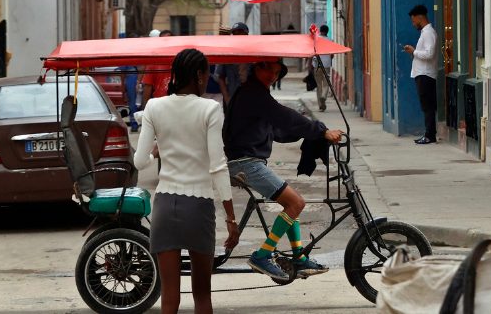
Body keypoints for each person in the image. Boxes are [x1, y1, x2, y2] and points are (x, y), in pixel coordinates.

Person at [134, 48, 239, 314]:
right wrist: (231, 218)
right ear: (199, 75)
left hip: (165, 206)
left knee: (169, 298)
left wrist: (157, 145)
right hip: (199, 207)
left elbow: (139, 161)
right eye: (206, 73)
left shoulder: (154, 106)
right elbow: (217, 166)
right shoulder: (210, 109)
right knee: (202, 295)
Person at [224, 60, 343, 281]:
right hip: (245, 163)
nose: (272, 75)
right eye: (267, 69)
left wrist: (311, 134)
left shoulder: (254, 94)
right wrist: (321, 130)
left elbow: (277, 130)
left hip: (246, 160)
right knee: (296, 203)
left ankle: (298, 257)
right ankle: (262, 255)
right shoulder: (253, 93)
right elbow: (284, 116)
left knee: (291, 204)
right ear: (255, 68)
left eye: (277, 72)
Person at [402, 5, 438, 144]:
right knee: (426, 105)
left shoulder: (428, 33)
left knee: (427, 106)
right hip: (422, 74)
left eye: (413, 20)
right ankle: (429, 133)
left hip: (426, 75)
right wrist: (415, 52)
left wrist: (414, 51)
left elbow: (429, 53)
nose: (413, 24)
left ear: (420, 17)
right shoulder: (425, 33)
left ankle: (430, 135)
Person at [214, 22, 250, 106]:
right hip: (232, 97)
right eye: (235, 33)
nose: (238, 35)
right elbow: (220, 77)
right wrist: (227, 98)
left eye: (240, 32)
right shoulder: (227, 52)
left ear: (246, 34)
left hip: (250, 97)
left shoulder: (253, 52)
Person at [141, 29, 173, 108]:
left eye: (168, 40)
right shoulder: (154, 62)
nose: (166, 43)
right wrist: (145, 109)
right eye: (163, 40)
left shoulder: (182, 61)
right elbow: (147, 87)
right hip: (160, 105)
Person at [312, 25, 333, 110]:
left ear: (320, 31)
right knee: (326, 84)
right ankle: (324, 96)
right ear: (327, 31)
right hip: (326, 65)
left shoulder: (315, 40)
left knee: (318, 85)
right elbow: (332, 55)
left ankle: (320, 105)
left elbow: (312, 52)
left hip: (317, 65)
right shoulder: (330, 41)